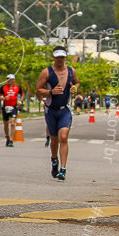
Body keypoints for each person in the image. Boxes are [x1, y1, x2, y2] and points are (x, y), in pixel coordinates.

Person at [36, 46, 80, 182]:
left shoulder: (72, 71)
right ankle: (54, 160)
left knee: (64, 137)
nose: (60, 60)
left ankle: (63, 169)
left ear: (65, 57)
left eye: (62, 57)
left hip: (64, 109)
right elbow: (38, 89)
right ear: (54, 57)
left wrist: (74, 88)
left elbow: (77, 83)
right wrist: (50, 92)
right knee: (54, 139)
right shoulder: (46, 72)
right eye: (57, 57)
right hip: (51, 110)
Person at [0, 74, 24, 147]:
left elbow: (22, 95)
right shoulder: (3, 87)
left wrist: (20, 102)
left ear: (14, 80)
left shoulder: (18, 87)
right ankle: (7, 137)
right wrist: (3, 98)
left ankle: (11, 140)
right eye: (8, 79)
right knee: (6, 124)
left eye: (10, 79)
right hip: (5, 107)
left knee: (12, 122)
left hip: (13, 107)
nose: (9, 81)